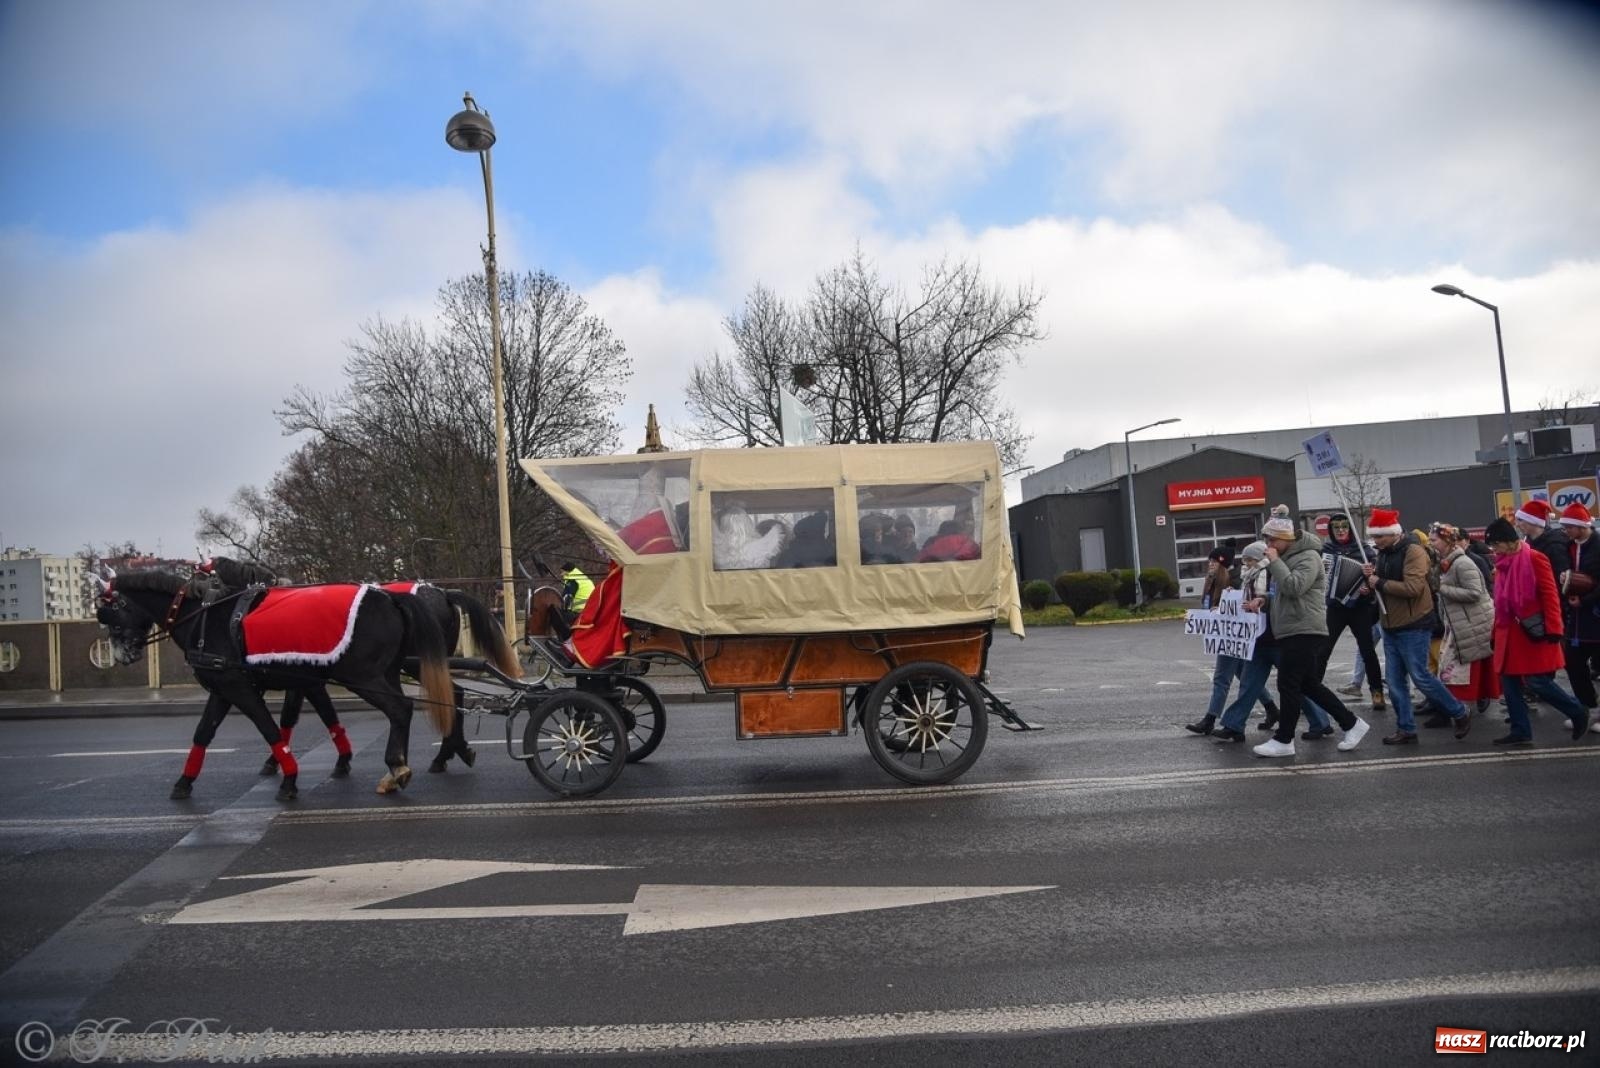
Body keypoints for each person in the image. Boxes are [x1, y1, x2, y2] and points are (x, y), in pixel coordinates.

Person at [1251, 514, 1369, 758]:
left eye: (1272, 539)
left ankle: (1284, 740)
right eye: (1266, 539)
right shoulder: (1285, 558)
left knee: (1288, 683)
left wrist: (1275, 562)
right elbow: (1285, 592)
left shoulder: (1308, 556)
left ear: (1285, 538)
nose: (1268, 545)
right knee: (1308, 684)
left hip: (1305, 628)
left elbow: (1295, 587)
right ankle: (1351, 723)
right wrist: (1264, 601)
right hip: (1293, 628)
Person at [1359, 507, 1469, 744]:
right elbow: (1382, 587)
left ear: (1393, 533)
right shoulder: (1384, 553)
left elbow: (1413, 589)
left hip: (1414, 624)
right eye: (1374, 537)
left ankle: (1459, 711)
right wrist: (1370, 582)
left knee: (1421, 676)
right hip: (1390, 625)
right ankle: (1406, 728)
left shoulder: (1414, 552)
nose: (1375, 541)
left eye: (1380, 536)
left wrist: (1379, 581)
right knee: (1396, 683)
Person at [1483, 516, 1591, 745]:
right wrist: (1494, 634)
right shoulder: (1502, 563)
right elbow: (1500, 603)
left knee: (1536, 682)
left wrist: (1554, 627)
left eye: (1496, 544)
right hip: (1507, 632)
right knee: (1509, 683)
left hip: (1531, 632)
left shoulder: (1535, 558)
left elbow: (1550, 595)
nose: (1494, 549)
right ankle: (1520, 730)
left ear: (1509, 541)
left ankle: (1577, 711)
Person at [1208, 540, 1329, 743]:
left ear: (1262, 559)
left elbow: (1280, 600)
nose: (1246, 564)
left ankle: (1320, 722)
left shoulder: (1275, 574)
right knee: (1248, 685)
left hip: (1278, 640)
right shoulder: (1247, 579)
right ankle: (1234, 725)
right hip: (1258, 641)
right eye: (1245, 559)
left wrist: (1260, 604)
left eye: (1251, 559)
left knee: (1296, 684)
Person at [1318, 512, 1386, 712]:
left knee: (1367, 650)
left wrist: (1368, 585)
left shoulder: (1365, 550)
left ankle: (1377, 692)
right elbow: (1320, 577)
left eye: (1344, 527)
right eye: (1336, 527)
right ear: (1331, 530)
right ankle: (1313, 690)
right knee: (1323, 650)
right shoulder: (1327, 550)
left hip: (1360, 607)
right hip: (1336, 607)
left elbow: (1378, 574)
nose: (1340, 531)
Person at [1429, 523, 1500, 714]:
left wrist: (1442, 588)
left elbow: (1475, 592)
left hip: (1470, 623)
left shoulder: (1463, 562)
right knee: (1455, 670)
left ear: (1446, 541)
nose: (1430, 543)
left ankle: (1458, 710)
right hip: (1458, 623)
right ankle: (1458, 708)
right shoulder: (1446, 562)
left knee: (1456, 671)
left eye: (1434, 540)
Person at [1556, 502, 1600, 718]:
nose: (1566, 531)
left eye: (1569, 527)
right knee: (1573, 663)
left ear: (1581, 526)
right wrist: (1565, 578)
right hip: (1577, 619)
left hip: (1595, 613)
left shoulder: (1598, 544)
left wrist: (1586, 600)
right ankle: (1589, 707)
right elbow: (1568, 573)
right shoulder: (1569, 546)